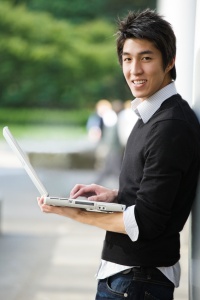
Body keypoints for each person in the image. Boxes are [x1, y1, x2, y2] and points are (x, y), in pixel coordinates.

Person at [38, 9, 200, 300]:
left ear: (170, 61)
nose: (134, 70)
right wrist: (116, 195)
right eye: (127, 59)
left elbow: (147, 222)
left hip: (137, 281)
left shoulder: (170, 125)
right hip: (131, 279)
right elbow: (157, 193)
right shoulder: (151, 116)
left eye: (146, 58)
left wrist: (75, 212)